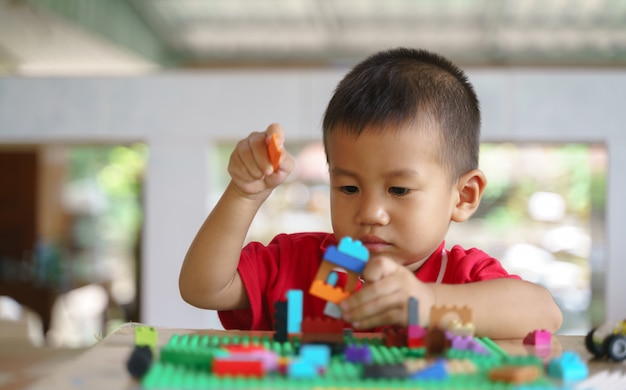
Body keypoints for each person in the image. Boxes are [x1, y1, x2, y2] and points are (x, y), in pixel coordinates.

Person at [179, 47, 562, 339]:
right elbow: (203, 288)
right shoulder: (297, 264)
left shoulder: (462, 278)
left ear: (463, 196)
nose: (370, 212)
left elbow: (544, 313)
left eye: (398, 189)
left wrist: (428, 305)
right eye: (348, 187)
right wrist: (243, 195)